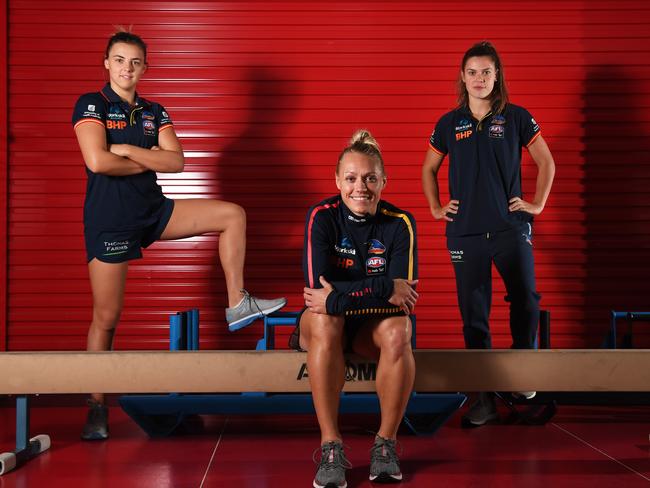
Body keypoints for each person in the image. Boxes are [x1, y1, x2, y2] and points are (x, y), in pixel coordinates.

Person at [71, 30, 286, 440]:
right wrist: (147, 158)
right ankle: (96, 405)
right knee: (107, 316)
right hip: (111, 219)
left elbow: (178, 162)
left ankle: (238, 303)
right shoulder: (92, 104)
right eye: (119, 60)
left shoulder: (155, 111)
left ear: (145, 68)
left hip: (155, 211)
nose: (126, 69)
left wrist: (129, 151)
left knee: (232, 215)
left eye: (135, 62)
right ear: (106, 63)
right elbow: (98, 161)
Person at [422, 41, 556, 427]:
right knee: (474, 317)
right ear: (462, 78)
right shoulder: (449, 123)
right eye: (472, 72)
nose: (479, 79)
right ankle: (482, 399)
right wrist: (435, 207)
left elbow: (546, 160)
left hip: (509, 228)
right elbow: (427, 169)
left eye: (486, 71)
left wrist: (537, 203)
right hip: (464, 234)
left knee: (526, 300)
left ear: (497, 76)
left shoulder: (516, 117)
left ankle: (519, 372)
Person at [291, 130, 418, 486]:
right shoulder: (323, 216)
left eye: (369, 178)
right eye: (350, 178)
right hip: (323, 327)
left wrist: (340, 296)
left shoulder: (400, 223)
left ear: (383, 181)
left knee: (399, 330)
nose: (360, 187)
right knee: (326, 319)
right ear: (337, 181)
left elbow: (402, 300)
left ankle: (385, 444)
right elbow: (317, 294)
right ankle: (331, 446)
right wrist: (381, 287)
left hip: (367, 331)